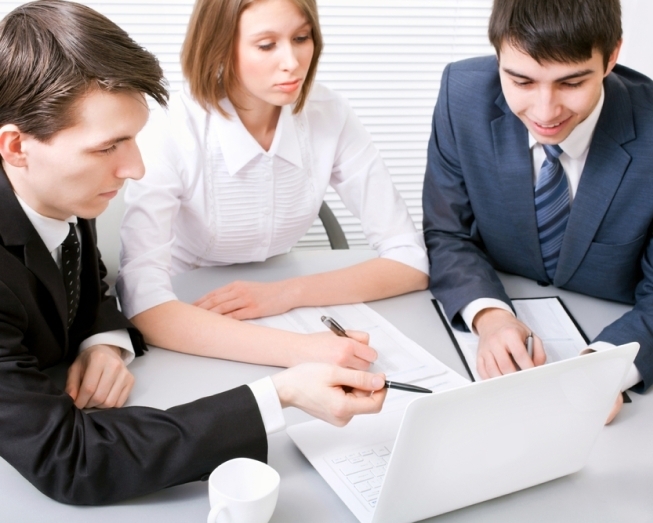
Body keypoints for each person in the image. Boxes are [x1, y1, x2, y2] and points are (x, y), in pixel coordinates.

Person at [0, 0, 387, 505]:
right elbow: (75, 462)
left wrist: (104, 340)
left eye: (134, 140)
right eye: (108, 147)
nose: (135, 168)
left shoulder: (60, 191)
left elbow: (89, 276)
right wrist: (282, 394)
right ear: (16, 146)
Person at [116, 0, 429, 368]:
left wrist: (286, 293)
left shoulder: (329, 112)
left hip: (278, 294)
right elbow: (142, 299)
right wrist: (301, 351)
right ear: (219, 46)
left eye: (301, 37)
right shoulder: (171, 128)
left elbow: (410, 258)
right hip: (189, 310)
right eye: (266, 45)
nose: (292, 62)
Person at [422, 0, 653, 423]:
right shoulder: (462, 96)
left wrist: (603, 367)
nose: (545, 112)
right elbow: (448, 233)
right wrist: (489, 316)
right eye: (521, 81)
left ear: (612, 57)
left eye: (571, 82)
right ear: (498, 57)